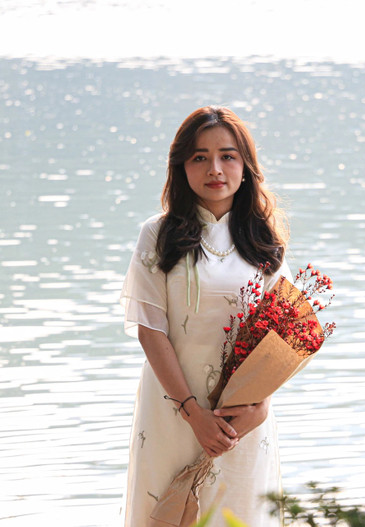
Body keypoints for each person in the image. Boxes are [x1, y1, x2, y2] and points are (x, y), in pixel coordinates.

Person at [120, 106, 289, 526]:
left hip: (241, 419)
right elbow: (150, 330)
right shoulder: (158, 235)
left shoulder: (265, 240)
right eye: (199, 157)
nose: (215, 168)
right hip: (173, 410)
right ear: (182, 167)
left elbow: (280, 340)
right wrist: (193, 413)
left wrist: (261, 406)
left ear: (246, 167)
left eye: (227, 156)